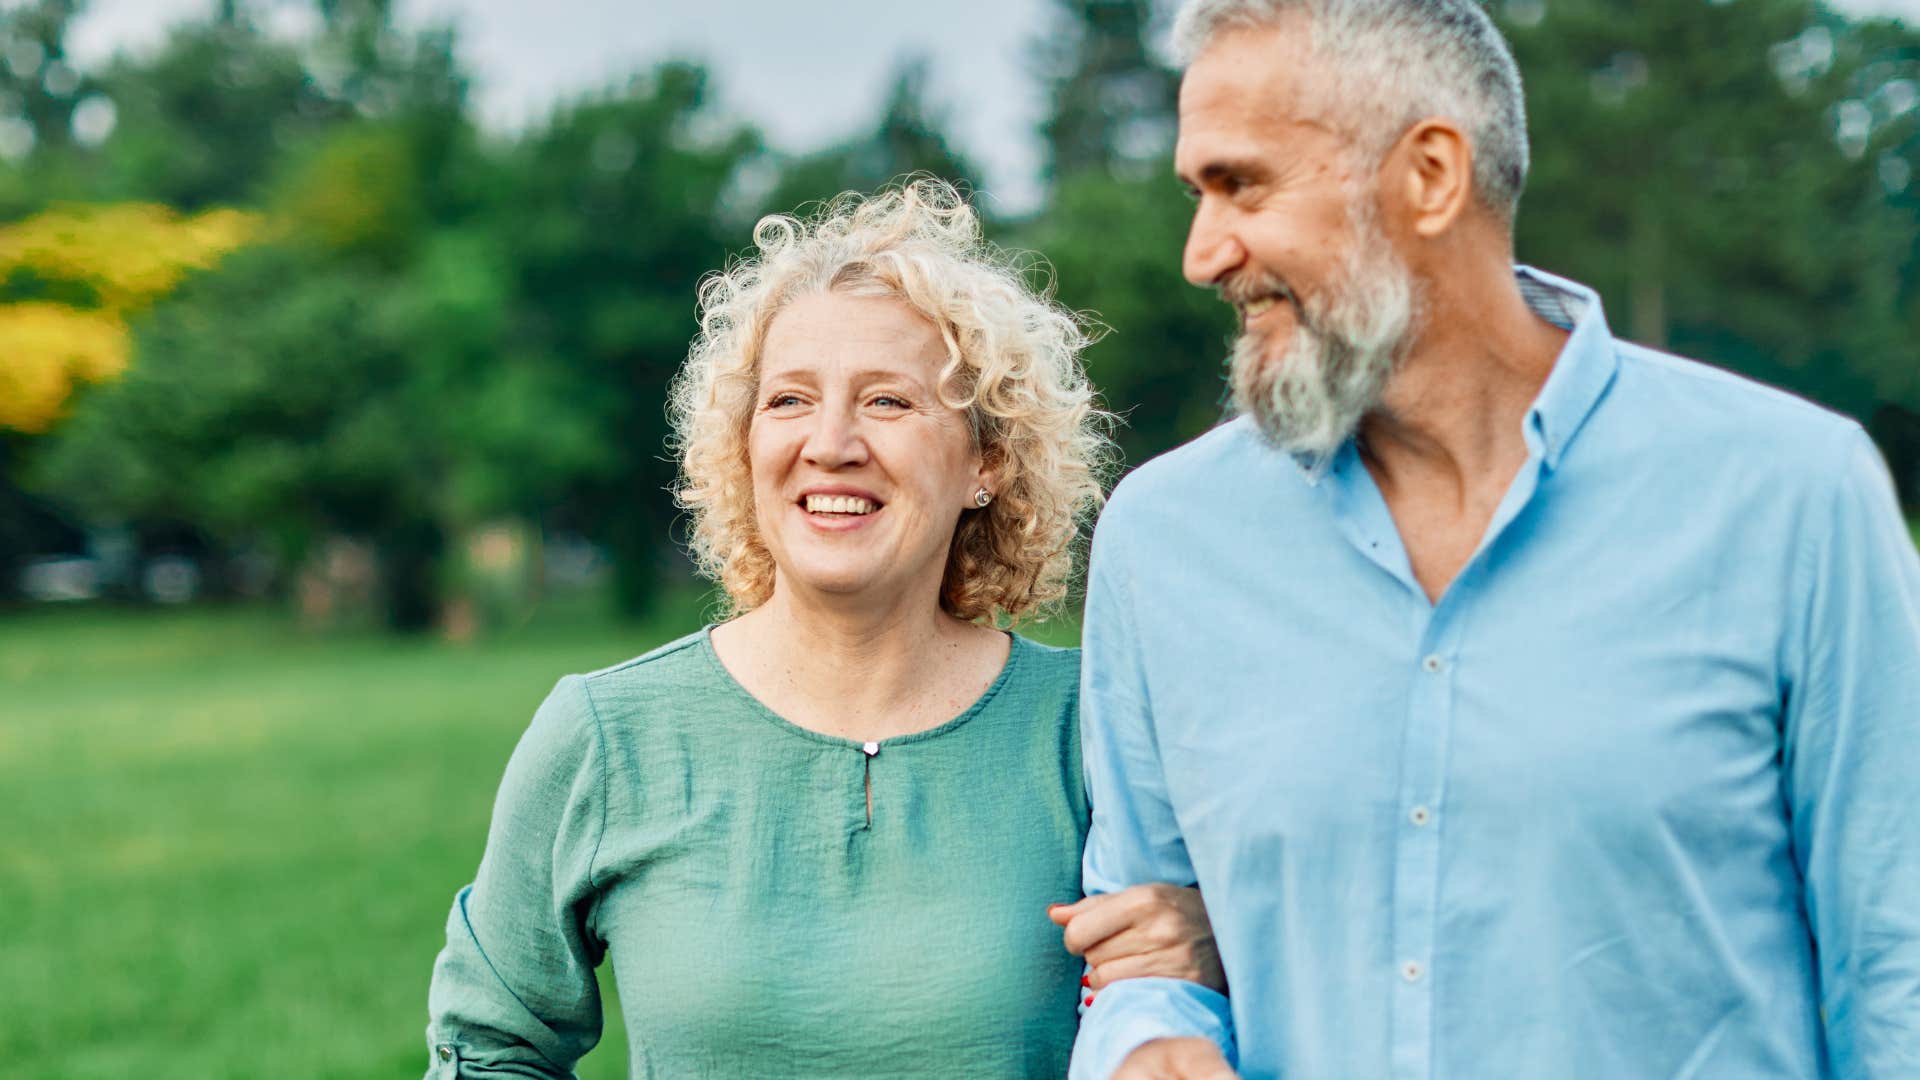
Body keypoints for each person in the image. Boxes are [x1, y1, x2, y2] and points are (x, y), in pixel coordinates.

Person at [1059, 2, 1920, 1078]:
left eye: (1244, 186)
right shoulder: (1166, 540)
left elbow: (1896, 973)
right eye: (1197, 194)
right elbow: (1142, 941)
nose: (1203, 254)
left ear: (1429, 176)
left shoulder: (1793, 497)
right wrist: (1150, 1040)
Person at [423, 180, 1224, 1079]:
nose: (831, 442)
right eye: (790, 401)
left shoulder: (1091, 730)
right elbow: (490, 1049)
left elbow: (1222, 987)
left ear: (986, 465)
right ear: (743, 446)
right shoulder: (605, 738)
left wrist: (1216, 947)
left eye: (888, 402)